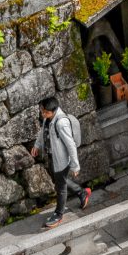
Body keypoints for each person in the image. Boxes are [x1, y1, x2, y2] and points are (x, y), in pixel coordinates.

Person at [31, 96, 91, 229]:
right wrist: (37, 145)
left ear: (54, 110)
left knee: (60, 188)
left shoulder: (61, 123)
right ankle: (81, 192)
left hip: (62, 160)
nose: (43, 114)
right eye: (42, 111)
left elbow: (71, 145)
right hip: (53, 157)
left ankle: (58, 214)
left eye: (45, 112)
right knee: (59, 181)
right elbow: (43, 133)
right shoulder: (48, 119)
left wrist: (75, 165)